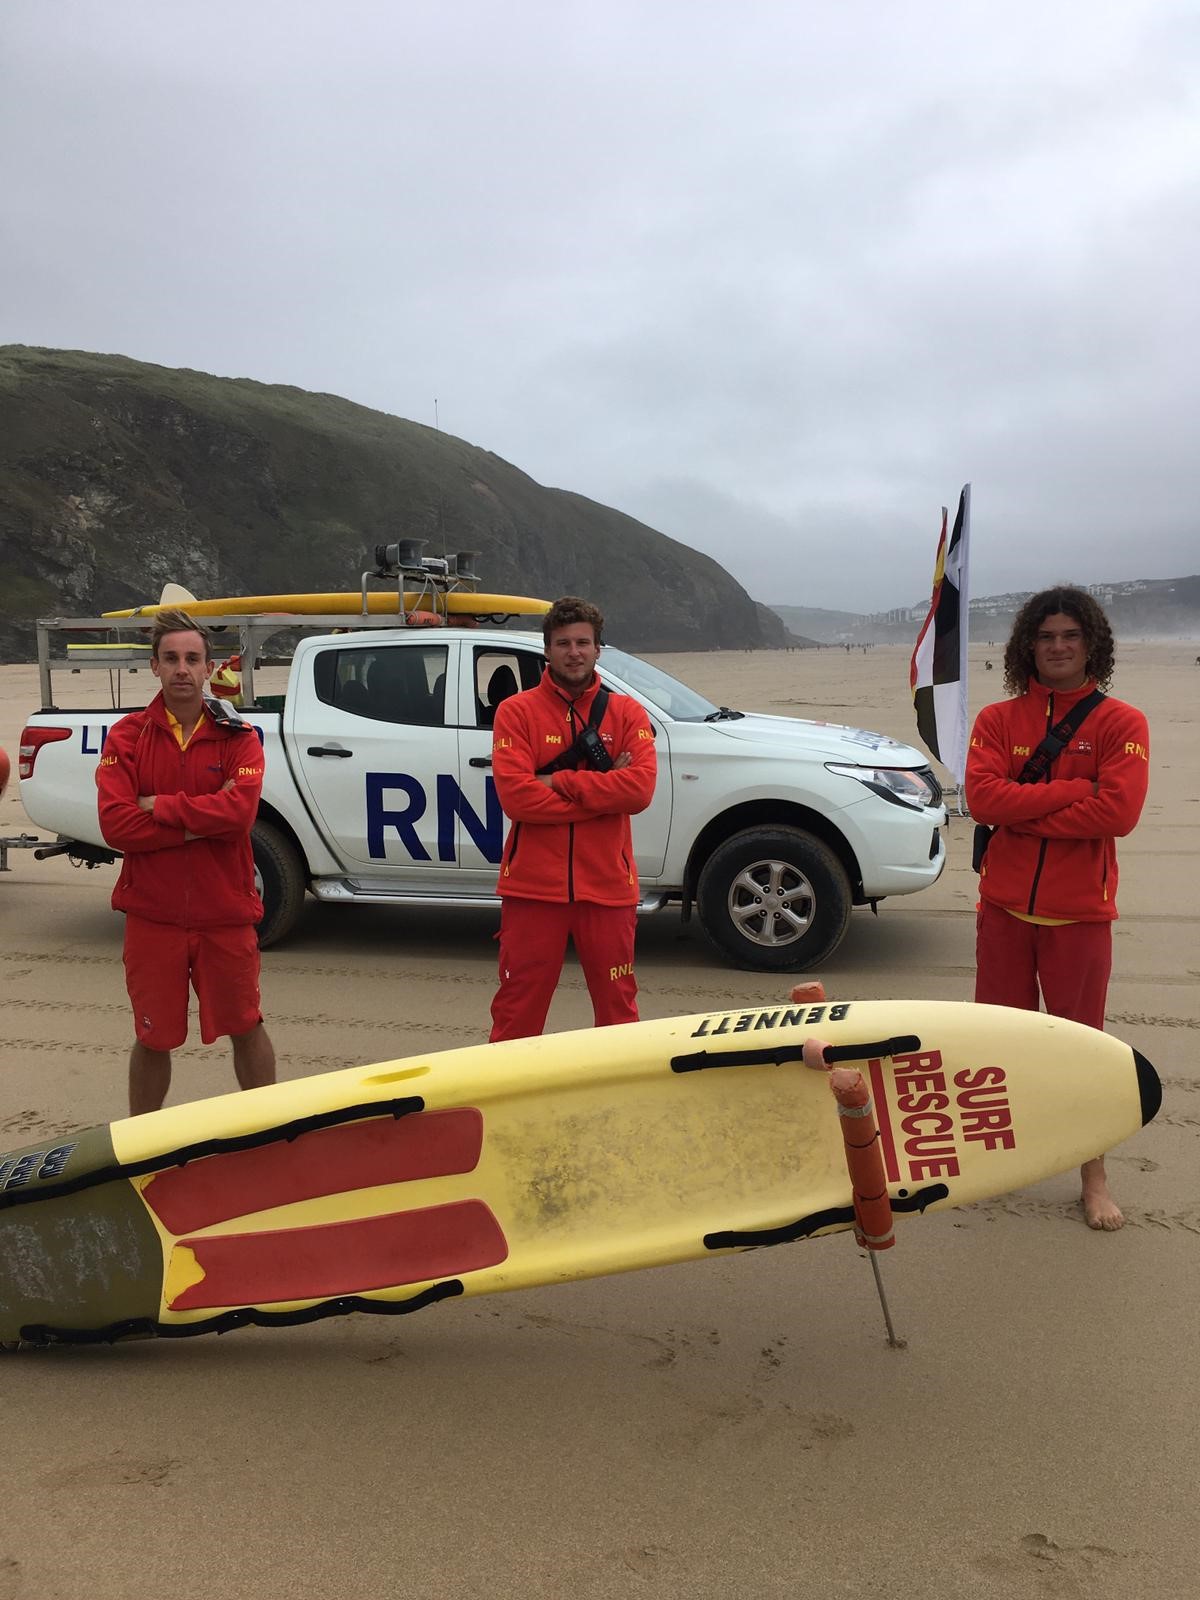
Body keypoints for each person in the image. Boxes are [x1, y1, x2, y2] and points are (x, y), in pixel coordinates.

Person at [965, 585, 1149, 1230]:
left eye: (1070, 635)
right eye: (1046, 637)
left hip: (1080, 915)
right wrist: (1075, 790)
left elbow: (1119, 813)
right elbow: (983, 801)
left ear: (1091, 642)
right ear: (1028, 647)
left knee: (1083, 1052)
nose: (1059, 646)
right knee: (996, 1045)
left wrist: (1028, 807)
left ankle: (1093, 1177)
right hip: (1005, 909)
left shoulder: (1121, 723)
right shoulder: (997, 721)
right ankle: (995, 1160)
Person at [96, 609, 276, 1114]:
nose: (182, 668)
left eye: (191, 659)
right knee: (153, 1036)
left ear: (207, 667)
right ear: (154, 666)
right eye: (171, 658)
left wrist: (163, 807)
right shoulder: (127, 737)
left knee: (246, 1024)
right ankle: (142, 1143)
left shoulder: (238, 735)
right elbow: (117, 827)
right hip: (154, 916)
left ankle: (269, 1135)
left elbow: (240, 814)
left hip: (226, 913)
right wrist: (202, 821)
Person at [489, 596, 657, 1041]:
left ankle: (622, 1098)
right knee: (516, 1011)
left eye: (583, 642)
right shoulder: (516, 711)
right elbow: (517, 799)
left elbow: (639, 791)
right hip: (531, 888)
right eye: (563, 642)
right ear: (547, 650)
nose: (574, 651)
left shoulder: (627, 712)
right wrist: (605, 789)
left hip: (607, 887)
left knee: (618, 1010)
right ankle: (506, 1099)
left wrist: (555, 781)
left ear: (599, 649)